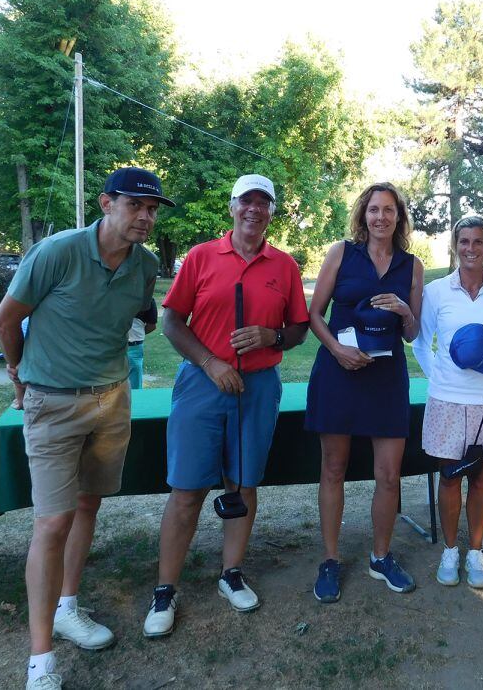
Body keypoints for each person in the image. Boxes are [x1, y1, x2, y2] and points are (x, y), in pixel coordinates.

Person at [0, 167, 172, 690]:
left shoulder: (146, 264)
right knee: (52, 523)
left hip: (112, 401)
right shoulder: (58, 251)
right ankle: (41, 659)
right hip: (51, 403)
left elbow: (137, 317)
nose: (145, 216)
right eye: (136, 205)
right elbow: (7, 319)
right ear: (106, 203)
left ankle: (68, 606)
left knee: (89, 504)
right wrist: (17, 371)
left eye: (153, 208)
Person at [142, 174, 309, 637]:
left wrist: (270, 336)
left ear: (272, 212)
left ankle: (231, 573)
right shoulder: (201, 256)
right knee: (188, 488)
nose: (254, 210)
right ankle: (165, 589)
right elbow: (172, 321)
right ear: (233, 207)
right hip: (202, 383)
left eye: (264, 203)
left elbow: (297, 328)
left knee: (243, 482)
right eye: (246, 202)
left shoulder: (285, 266)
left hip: (257, 387)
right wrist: (211, 362)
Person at [305, 182, 424, 602]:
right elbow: (314, 314)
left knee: (389, 475)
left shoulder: (412, 266)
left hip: (387, 379)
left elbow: (411, 334)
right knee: (333, 469)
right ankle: (332, 559)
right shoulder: (341, 253)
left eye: (389, 210)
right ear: (363, 215)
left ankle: (381, 556)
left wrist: (407, 311)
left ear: (399, 217)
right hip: (339, 373)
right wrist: (337, 349)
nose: (381, 217)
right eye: (374, 210)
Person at [412, 216, 483, 590]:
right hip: (447, 399)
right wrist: (437, 376)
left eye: (477, 241)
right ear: (455, 246)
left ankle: (475, 554)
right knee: (450, 476)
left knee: (482, 477)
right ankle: (450, 550)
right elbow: (422, 342)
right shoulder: (437, 291)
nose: (470, 249)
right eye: (463, 242)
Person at [126, 301, 157, 389]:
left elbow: (152, 325)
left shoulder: (147, 299)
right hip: (118, 346)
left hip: (134, 347)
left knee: (134, 386)